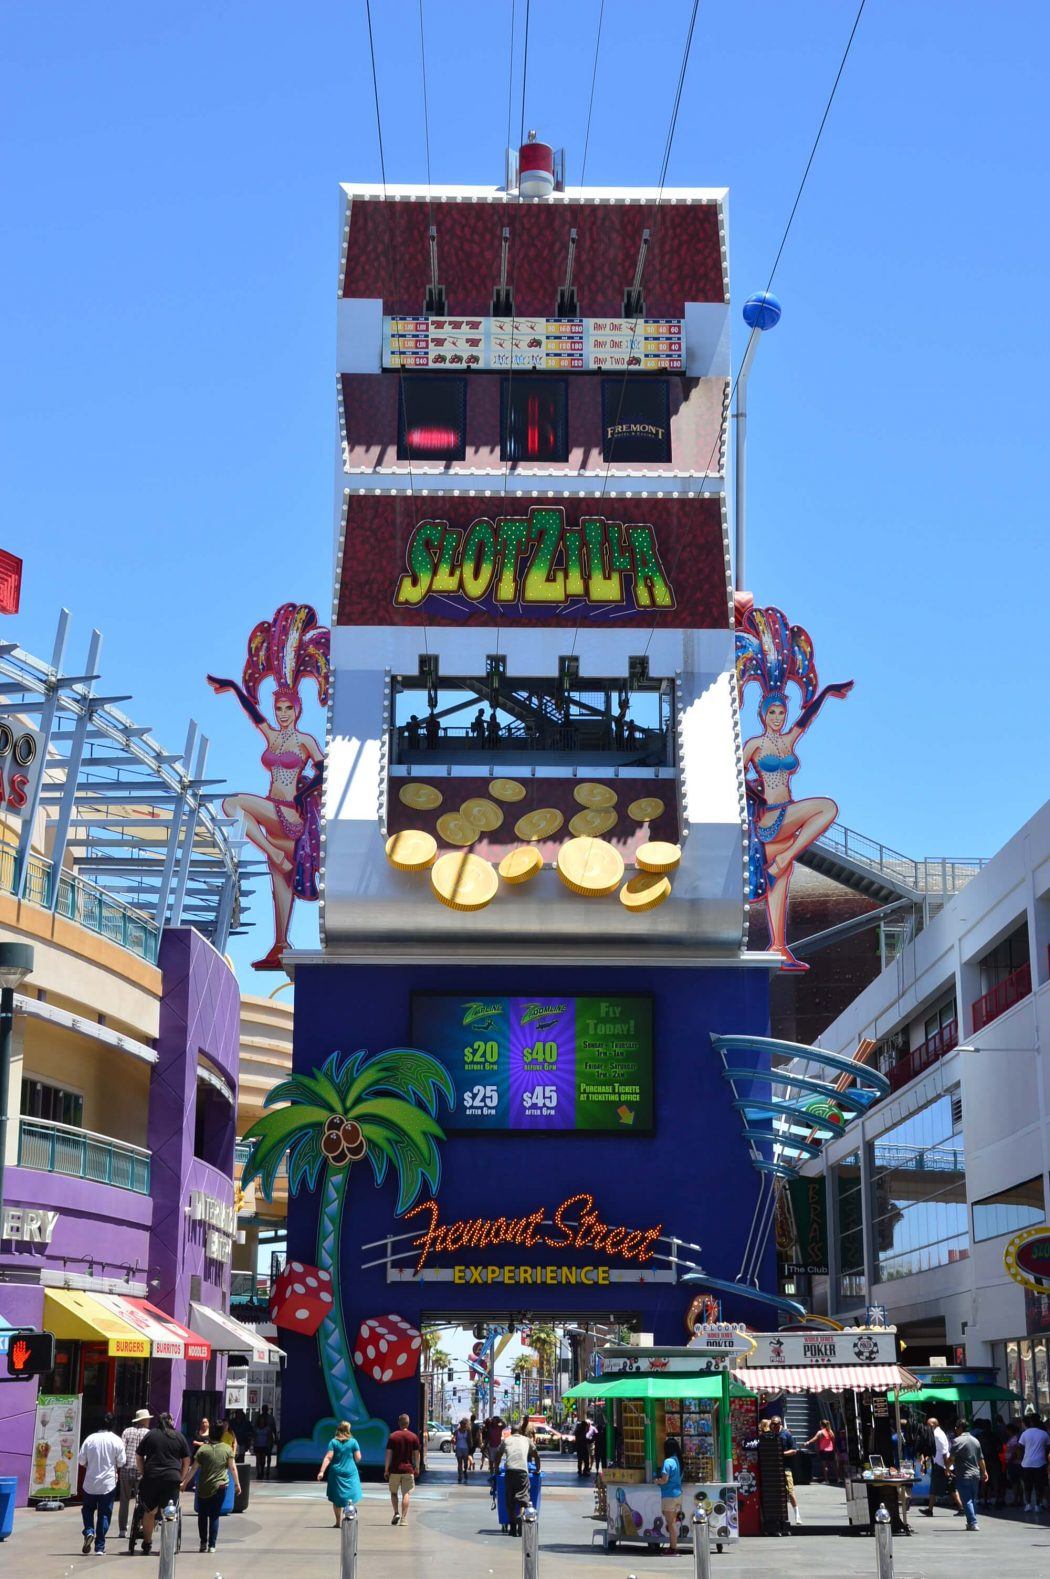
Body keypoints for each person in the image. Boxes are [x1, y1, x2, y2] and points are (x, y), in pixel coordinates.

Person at [207, 600, 328, 971]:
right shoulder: (272, 738)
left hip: (289, 814)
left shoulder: (305, 741)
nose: (280, 714)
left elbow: (326, 772)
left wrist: (306, 791)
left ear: (297, 710)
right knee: (280, 888)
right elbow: (250, 709)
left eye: (287, 709)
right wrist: (230, 687)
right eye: (278, 709)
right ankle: (280, 945)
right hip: (273, 826)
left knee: (232, 804)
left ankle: (274, 856)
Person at [736, 605, 853, 971]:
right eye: (772, 712)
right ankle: (785, 859)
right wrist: (752, 789)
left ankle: (779, 946)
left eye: (781, 713)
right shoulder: (754, 745)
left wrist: (830, 691)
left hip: (786, 821)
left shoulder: (788, 742)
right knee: (826, 808)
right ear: (763, 715)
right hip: (772, 817)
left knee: (781, 881)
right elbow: (733, 775)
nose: (778, 717)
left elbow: (809, 714)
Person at [135, 1411, 191, 1555]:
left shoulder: (151, 1434)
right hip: (172, 1478)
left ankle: (147, 1543)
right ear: (171, 1421)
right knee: (169, 1512)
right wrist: (182, 1478)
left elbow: (139, 1455)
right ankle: (166, 1545)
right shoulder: (179, 1436)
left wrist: (143, 1472)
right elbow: (186, 1460)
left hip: (151, 1477)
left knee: (149, 1512)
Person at [183, 1419, 240, 1554]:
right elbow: (232, 1468)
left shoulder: (203, 1449)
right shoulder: (226, 1449)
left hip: (203, 1486)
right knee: (214, 1516)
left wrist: (184, 1483)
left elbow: (194, 1468)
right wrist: (237, 1484)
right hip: (220, 1486)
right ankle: (212, 1545)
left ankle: (203, 1542)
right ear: (221, 1434)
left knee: (202, 1515)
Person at [78, 1412, 126, 1556]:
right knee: (104, 1514)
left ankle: (89, 1531)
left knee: (87, 1510)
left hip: (90, 1483)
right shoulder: (116, 1440)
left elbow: (81, 1461)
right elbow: (122, 1462)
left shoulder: (90, 1439)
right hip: (108, 1484)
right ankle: (100, 1547)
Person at [494, 1422, 539, 1537]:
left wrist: (496, 1470)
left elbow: (498, 1455)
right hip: (522, 1472)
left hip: (509, 1472)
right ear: (521, 1432)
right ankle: (521, 1518)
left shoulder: (507, 1440)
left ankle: (512, 1528)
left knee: (510, 1501)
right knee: (523, 1498)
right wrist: (538, 1469)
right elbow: (536, 1455)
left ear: (511, 1432)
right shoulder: (527, 1440)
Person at [318, 1421, 362, 1528]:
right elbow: (358, 1458)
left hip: (336, 1473)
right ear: (348, 1430)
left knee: (336, 1499)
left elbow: (328, 1457)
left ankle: (338, 1522)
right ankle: (349, 1516)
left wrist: (321, 1471)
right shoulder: (353, 1442)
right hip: (350, 1473)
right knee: (350, 1496)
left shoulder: (333, 1442)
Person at [117, 1407, 152, 1539]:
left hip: (126, 1469)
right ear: (143, 1420)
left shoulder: (127, 1431)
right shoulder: (148, 1433)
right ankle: (141, 1526)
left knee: (124, 1500)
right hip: (141, 1470)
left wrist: (120, 1465)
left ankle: (122, 1529)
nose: (149, 1421)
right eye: (147, 1419)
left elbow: (121, 1449)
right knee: (141, 1500)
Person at [385, 1412, 421, 1527]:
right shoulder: (414, 1437)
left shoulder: (393, 1436)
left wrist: (386, 1469)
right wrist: (417, 1468)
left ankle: (396, 1513)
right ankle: (404, 1518)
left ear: (399, 1423)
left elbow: (388, 1454)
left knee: (394, 1492)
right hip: (408, 1470)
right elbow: (416, 1455)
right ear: (408, 1423)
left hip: (395, 1470)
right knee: (406, 1493)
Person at [951, 1419, 987, 1531]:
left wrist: (947, 1468)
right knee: (973, 1499)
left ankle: (973, 1522)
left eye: (956, 1428)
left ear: (960, 1428)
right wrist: (984, 1471)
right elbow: (981, 1459)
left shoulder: (957, 1441)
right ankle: (970, 1521)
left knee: (966, 1499)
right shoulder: (975, 1441)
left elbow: (951, 1458)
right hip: (975, 1474)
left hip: (963, 1474)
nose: (955, 1430)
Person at [919, 1415, 958, 1518]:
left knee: (941, 1488)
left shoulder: (937, 1435)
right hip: (940, 1464)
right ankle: (930, 1510)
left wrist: (947, 1468)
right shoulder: (935, 1433)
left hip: (942, 1465)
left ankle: (930, 1510)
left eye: (928, 1424)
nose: (926, 1426)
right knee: (947, 1488)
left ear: (934, 1425)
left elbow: (945, 1452)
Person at [654, 1434, 684, 1554]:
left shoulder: (668, 1462)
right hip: (677, 1495)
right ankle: (673, 1546)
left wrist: (657, 1481)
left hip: (669, 1495)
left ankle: (673, 1548)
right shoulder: (678, 1461)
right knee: (673, 1523)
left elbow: (664, 1479)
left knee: (670, 1524)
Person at [770, 1415, 801, 1525]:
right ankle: (779, 1516)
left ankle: (797, 1514)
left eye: (775, 1424)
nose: (773, 1426)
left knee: (790, 1490)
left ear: (780, 1424)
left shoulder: (786, 1434)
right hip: (773, 1467)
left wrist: (782, 1453)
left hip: (785, 1467)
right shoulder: (771, 1434)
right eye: (772, 1424)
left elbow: (794, 1450)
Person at [1017, 1411, 1050, 1513]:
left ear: (1030, 1422)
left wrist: (1021, 1459)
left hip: (1026, 1463)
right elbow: (1048, 1448)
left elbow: (1020, 1447)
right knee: (1039, 1485)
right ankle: (1038, 1504)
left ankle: (1028, 1504)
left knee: (1027, 1486)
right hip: (1040, 1463)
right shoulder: (1044, 1434)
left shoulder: (1025, 1434)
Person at [803, 1418, 837, 1485]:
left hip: (824, 1450)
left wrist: (807, 1442)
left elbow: (814, 1439)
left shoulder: (820, 1432)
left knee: (825, 1466)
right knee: (833, 1465)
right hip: (831, 1450)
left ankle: (827, 1480)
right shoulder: (830, 1431)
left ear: (821, 1425)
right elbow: (833, 1440)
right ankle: (838, 1478)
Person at [254, 1405, 278, 1479]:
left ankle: (267, 1469)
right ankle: (261, 1470)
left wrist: (275, 1437)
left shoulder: (271, 1418)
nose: (264, 1410)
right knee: (259, 1458)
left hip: (268, 1440)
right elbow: (255, 1429)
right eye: (263, 1409)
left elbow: (274, 1429)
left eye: (265, 1409)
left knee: (268, 1455)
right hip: (259, 1443)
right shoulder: (259, 1417)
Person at [454, 1418, 473, 1484]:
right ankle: (460, 1476)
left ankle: (465, 1470)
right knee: (459, 1463)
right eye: (462, 1424)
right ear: (460, 1424)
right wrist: (453, 1440)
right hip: (459, 1448)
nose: (463, 1425)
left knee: (465, 1463)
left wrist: (470, 1447)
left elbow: (470, 1440)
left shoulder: (468, 1431)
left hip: (465, 1448)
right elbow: (453, 1438)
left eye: (464, 1424)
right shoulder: (456, 1431)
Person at [593, 1405, 608, 1474]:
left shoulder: (596, 1434)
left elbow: (592, 1439)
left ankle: (597, 1470)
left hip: (597, 1449)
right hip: (603, 1449)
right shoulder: (604, 1434)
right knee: (603, 1461)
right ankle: (604, 1471)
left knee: (597, 1460)